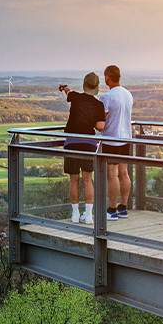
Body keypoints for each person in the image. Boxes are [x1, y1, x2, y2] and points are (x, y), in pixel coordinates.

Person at [59, 73, 106, 224]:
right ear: (97, 87)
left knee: (73, 179)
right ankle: (89, 215)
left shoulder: (76, 97)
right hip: (88, 144)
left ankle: (74, 214)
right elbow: (100, 126)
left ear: (84, 85)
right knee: (87, 179)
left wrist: (64, 87)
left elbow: (69, 92)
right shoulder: (99, 105)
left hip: (72, 143)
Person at [100, 64, 134, 221]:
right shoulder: (128, 94)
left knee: (112, 174)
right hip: (126, 138)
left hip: (111, 139)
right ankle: (123, 207)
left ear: (107, 77)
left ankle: (112, 210)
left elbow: (102, 119)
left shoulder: (106, 97)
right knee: (124, 173)